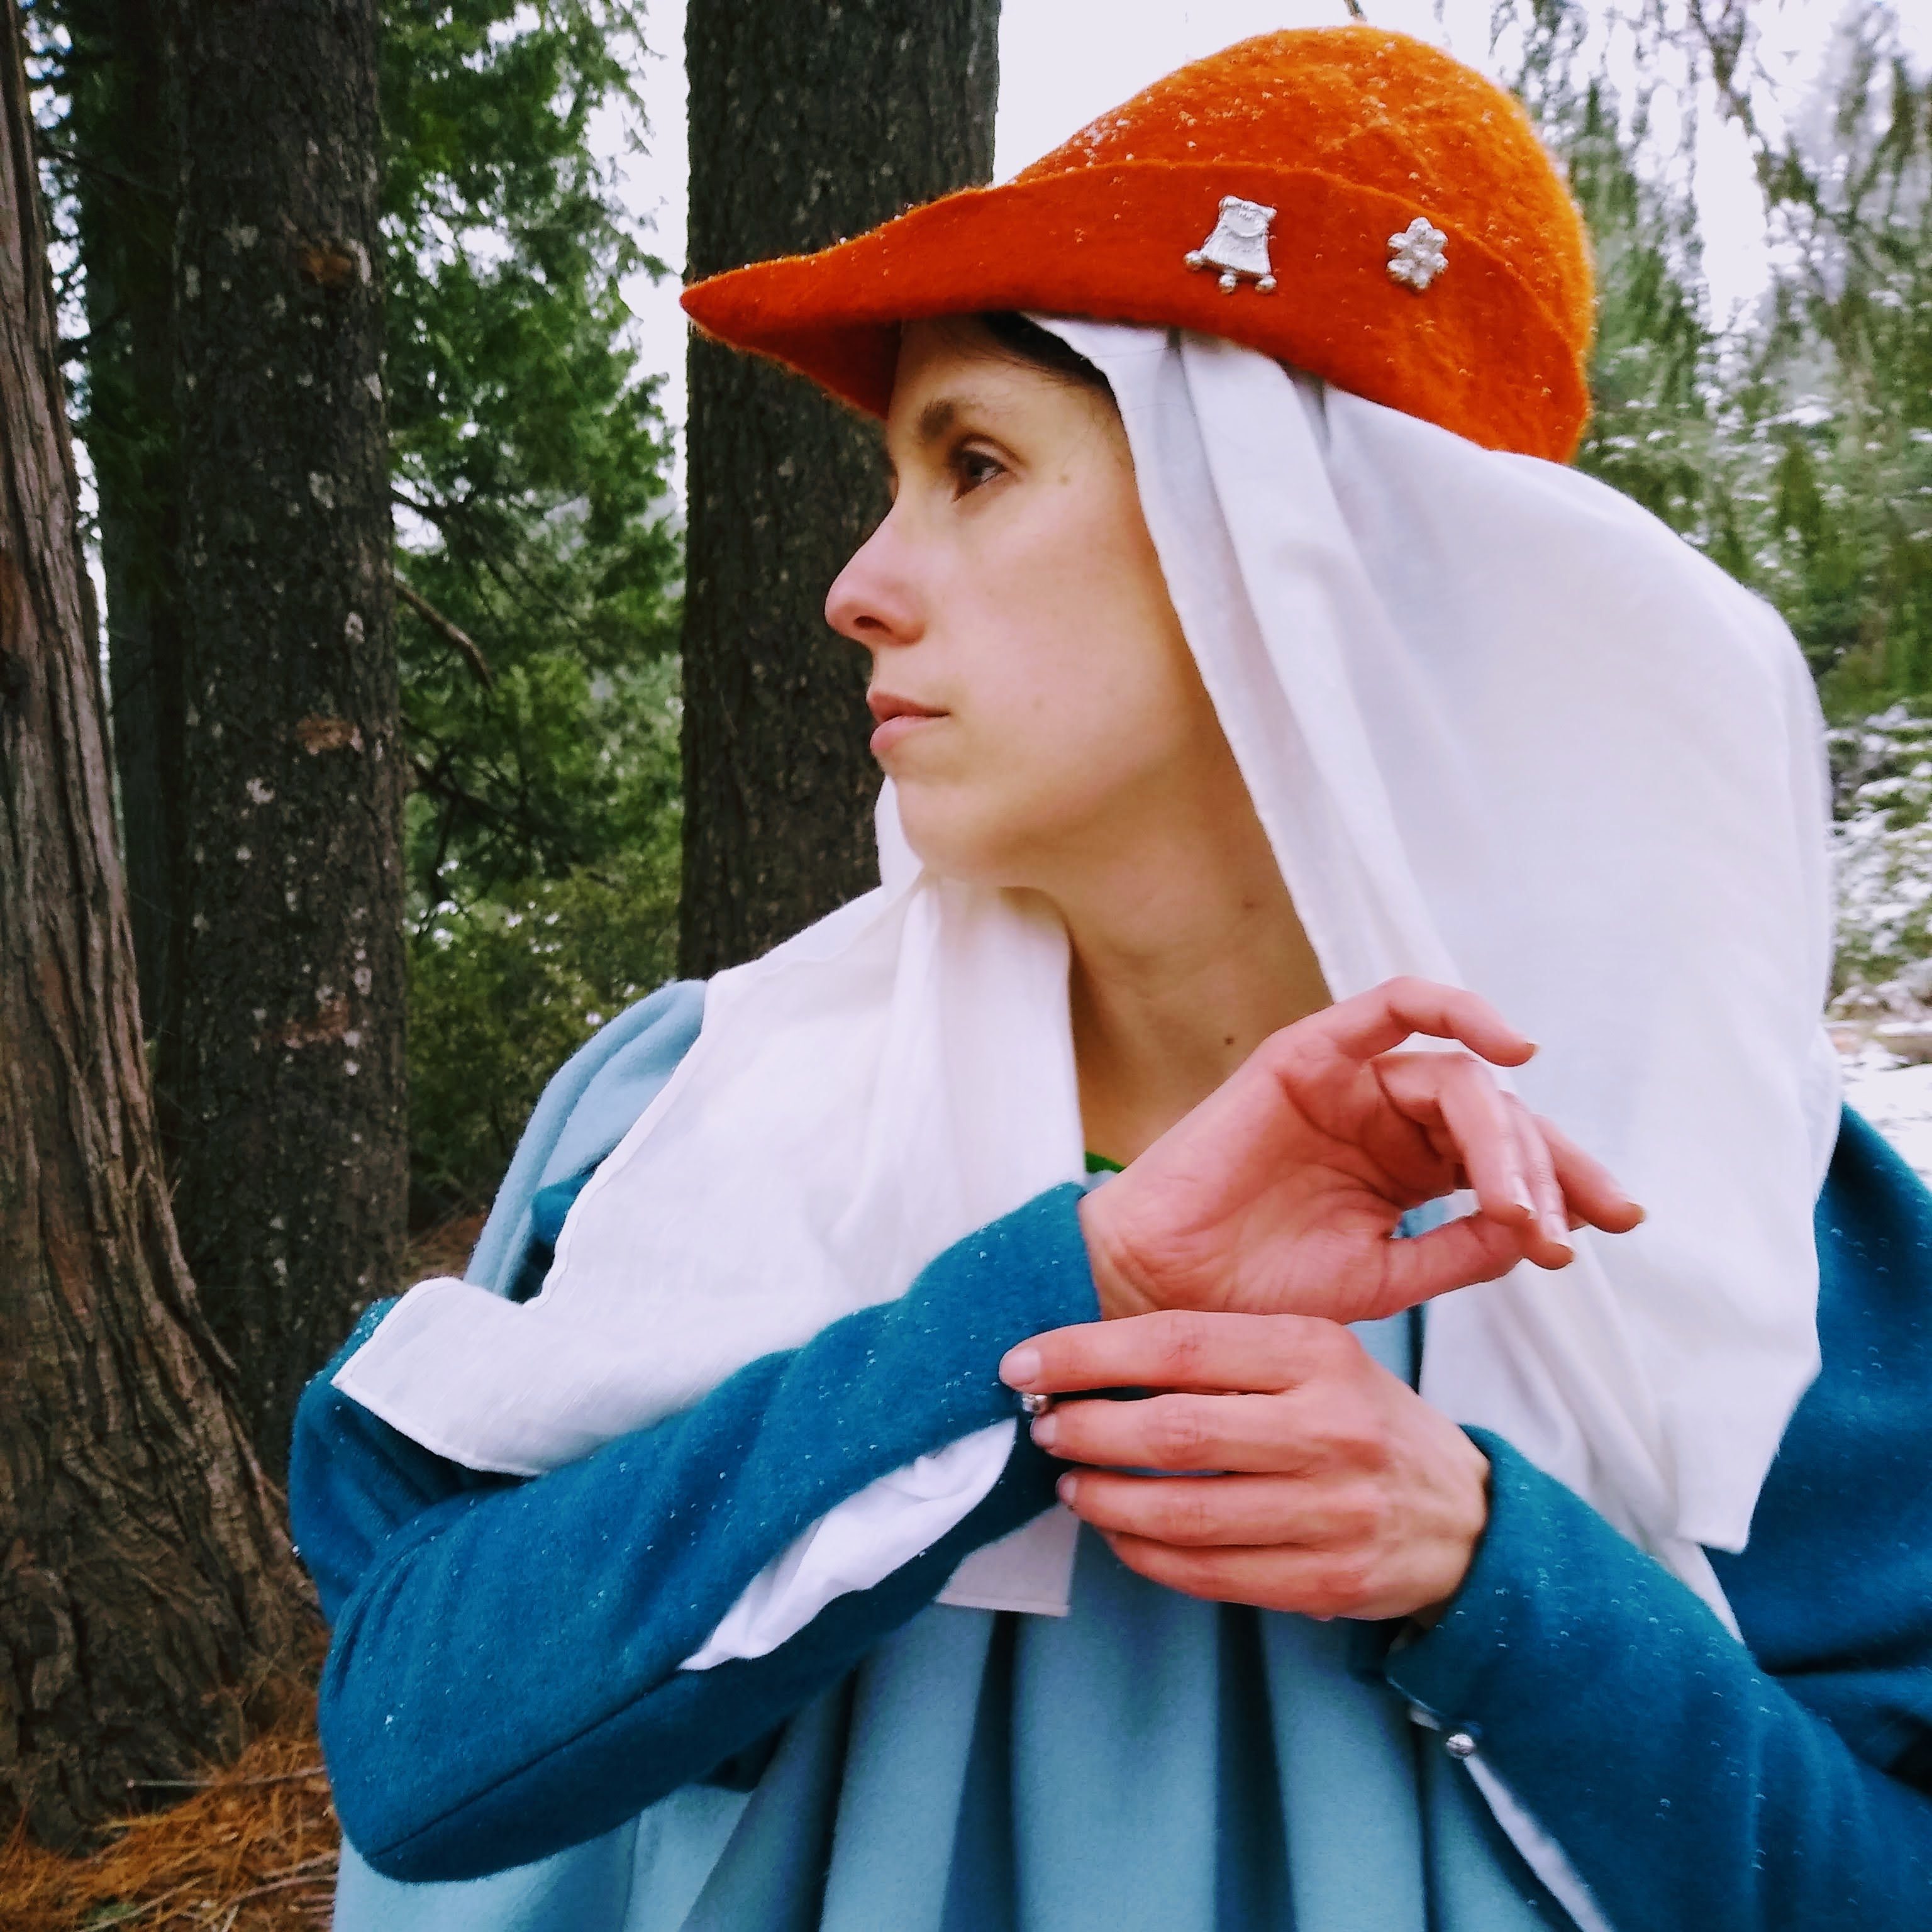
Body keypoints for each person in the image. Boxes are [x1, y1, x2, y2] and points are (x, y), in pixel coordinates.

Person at [291, 26, 1932, 1931]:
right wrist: (1061, 1301)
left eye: (975, 464)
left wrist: (1497, 1575)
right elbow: (414, 1752)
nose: (856, 587)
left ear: (1299, 540)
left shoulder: (1721, 1202)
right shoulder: (690, 1109)